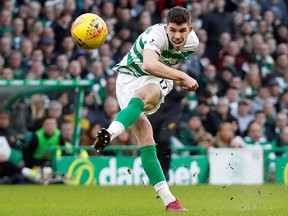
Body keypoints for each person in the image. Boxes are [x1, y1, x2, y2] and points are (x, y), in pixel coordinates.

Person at [93, 6, 199, 212]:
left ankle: (110, 132)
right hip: (128, 76)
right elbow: (150, 64)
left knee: (145, 95)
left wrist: (173, 77)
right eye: (173, 30)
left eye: (182, 30)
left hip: (158, 79)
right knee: (145, 134)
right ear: (166, 28)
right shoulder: (155, 34)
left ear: (190, 29)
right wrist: (184, 76)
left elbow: (157, 69)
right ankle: (170, 201)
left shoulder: (193, 43)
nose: (177, 36)